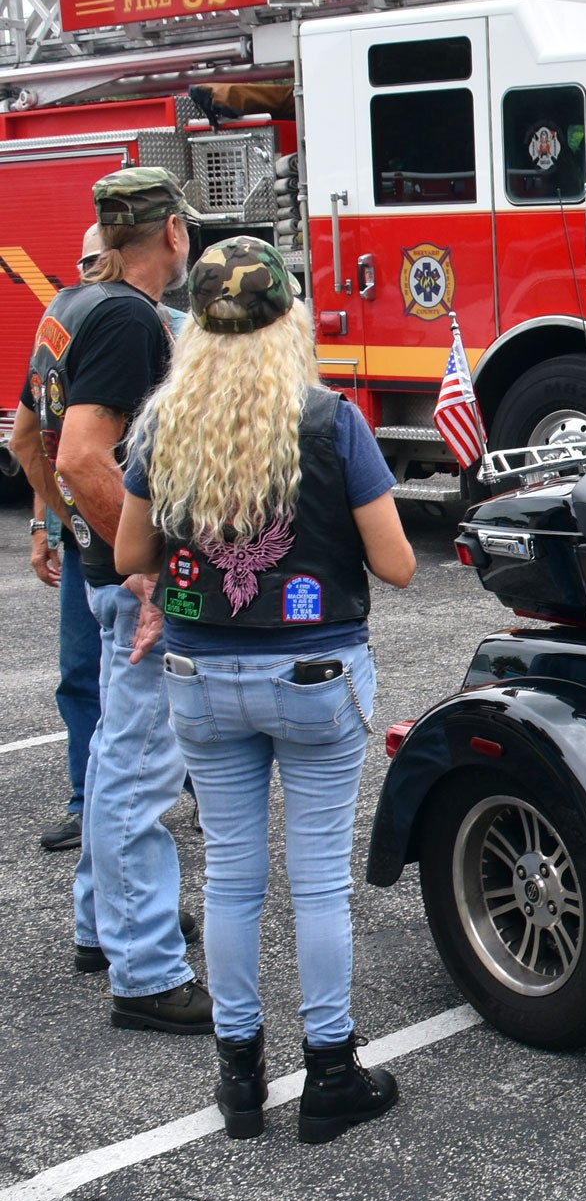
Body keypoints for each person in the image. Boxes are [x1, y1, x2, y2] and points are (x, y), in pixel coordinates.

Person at [116, 236, 416, 1144]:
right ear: (291, 321)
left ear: (196, 329)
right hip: (315, 676)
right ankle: (330, 1073)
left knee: (234, 880)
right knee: (318, 884)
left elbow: (131, 554)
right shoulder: (332, 423)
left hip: (201, 677)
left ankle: (238, 1079)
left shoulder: (165, 426)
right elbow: (399, 565)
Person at [10, 167, 209, 1033]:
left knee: (107, 762)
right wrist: (148, 568)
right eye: (185, 227)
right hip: (129, 591)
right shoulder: (131, 317)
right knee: (137, 774)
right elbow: (85, 456)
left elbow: (27, 437)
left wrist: (62, 530)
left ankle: (107, 925)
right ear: (171, 233)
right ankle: (147, 971)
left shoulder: (70, 307)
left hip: (96, 576)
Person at [26, 226, 106, 854]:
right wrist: (48, 525)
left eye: (94, 258)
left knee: (169, 671)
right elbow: (43, 439)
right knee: (80, 674)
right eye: (80, 261)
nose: (88, 271)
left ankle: (197, 790)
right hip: (91, 542)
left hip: (143, 543)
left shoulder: (171, 328)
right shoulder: (68, 332)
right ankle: (87, 801)